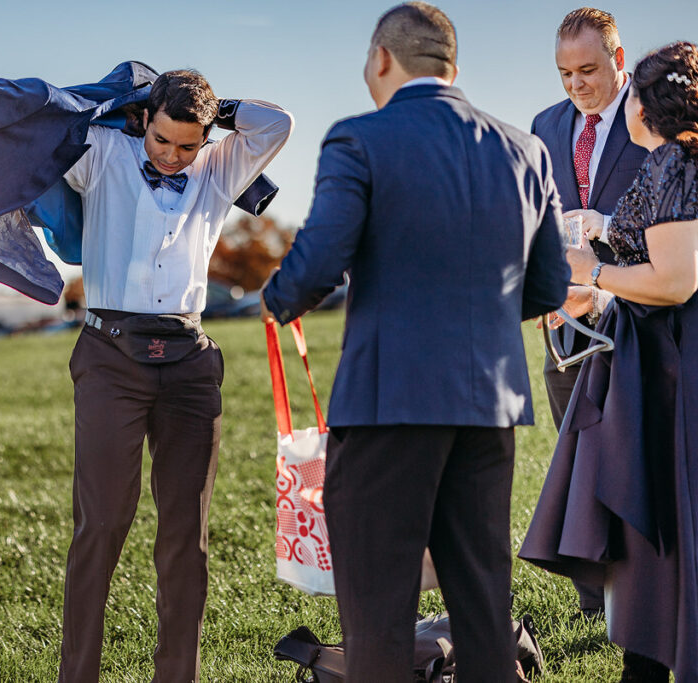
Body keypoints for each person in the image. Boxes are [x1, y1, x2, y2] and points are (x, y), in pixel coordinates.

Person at [260, 3, 569, 681]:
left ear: (381, 60)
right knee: (483, 601)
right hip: (488, 407)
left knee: (377, 609)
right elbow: (549, 286)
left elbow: (315, 265)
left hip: (387, 405)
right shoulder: (526, 148)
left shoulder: (360, 139)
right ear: (452, 67)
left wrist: (277, 298)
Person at [58, 70, 292, 682]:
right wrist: (128, 102)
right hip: (110, 357)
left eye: (188, 144)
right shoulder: (105, 153)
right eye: (162, 140)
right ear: (144, 123)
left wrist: (218, 111)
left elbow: (278, 124)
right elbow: (48, 133)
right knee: (103, 523)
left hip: (189, 365)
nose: (173, 155)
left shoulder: (216, 170)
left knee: (185, 537)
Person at [520, 42, 698, 683]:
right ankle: (648, 658)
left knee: (668, 513)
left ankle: (651, 659)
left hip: (672, 367)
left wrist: (591, 269)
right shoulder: (672, 160)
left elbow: (677, 281)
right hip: (648, 357)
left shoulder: (674, 160)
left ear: (643, 103)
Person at [530, 9, 650, 618]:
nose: (575, 84)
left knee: (636, 461)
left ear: (618, 58)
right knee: (574, 459)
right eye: (564, 73)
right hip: (566, 322)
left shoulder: (655, 119)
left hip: (643, 316)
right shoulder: (544, 126)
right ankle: (592, 596)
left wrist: (612, 233)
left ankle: (644, 592)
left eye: (587, 70)